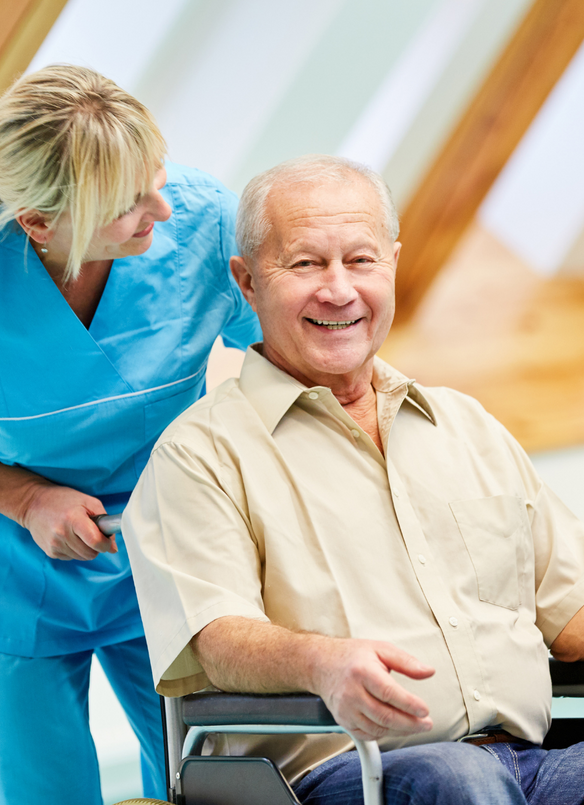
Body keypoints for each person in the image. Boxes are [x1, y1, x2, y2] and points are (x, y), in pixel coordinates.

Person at [123, 154, 584, 805]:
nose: (337, 290)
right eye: (305, 263)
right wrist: (321, 663)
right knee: (456, 779)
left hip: (529, 759)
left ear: (391, 264)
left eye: (360, 261)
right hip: (338, 773)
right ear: (247, 281)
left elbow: (568, 611)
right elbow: (217, 638)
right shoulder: (199, 455)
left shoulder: (464, 425)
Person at [0, 64, 261, 805]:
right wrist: (24, 500)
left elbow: (286, 356)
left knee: (202, 772)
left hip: (169, 541)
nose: (164, 208)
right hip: (17, 565)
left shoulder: (204, 218)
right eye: (129, 203)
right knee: (45, 787)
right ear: (40, 223)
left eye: (156, 172)